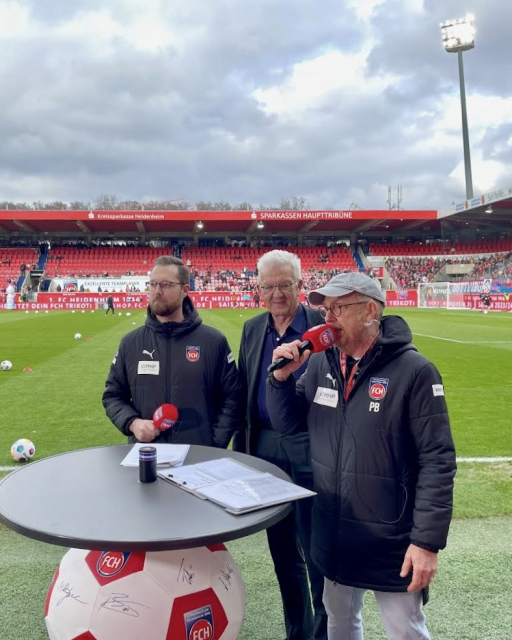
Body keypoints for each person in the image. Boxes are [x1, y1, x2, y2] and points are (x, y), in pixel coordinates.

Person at [266, 272, 456, 640]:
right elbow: (289, 422)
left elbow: (438, 460)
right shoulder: (321, 364)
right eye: (325, 309)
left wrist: (426, 542)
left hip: (392, 540)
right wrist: (281, 380)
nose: (328, 318)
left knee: (405, 631)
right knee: (339, 623)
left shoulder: (414, 371)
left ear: (370, 311)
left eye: (339, 308)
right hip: (334, 530)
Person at [234, 249, 328, 640]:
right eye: (268, 286)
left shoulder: (323, 328)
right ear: (258, 289)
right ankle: (298, 633)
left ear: (300, 286)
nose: (276, 294)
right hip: (266, 450)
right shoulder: (253, 329)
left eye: (284, 285)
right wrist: (243, 453)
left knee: (317, 554)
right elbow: (244, 391)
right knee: (283, 554)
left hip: (312, 447)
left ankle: (324, 633)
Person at [102, 256, 239, 447]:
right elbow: (112, 396)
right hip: (146, 456)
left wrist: (214, 443)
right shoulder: (130, 343)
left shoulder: (213, 341)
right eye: (153, 284)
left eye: (166, 284)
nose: (157, 291)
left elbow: (233, 397)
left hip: (199, 456)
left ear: (184, 290)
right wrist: (132, 423)